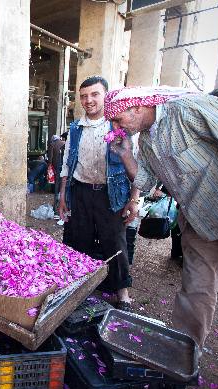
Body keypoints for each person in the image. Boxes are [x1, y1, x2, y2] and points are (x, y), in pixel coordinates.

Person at [104, 85, 218, 349]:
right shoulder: (146, 140)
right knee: (196, 291)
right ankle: (186, 352)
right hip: (198, 222)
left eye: (119, 119)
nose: (116, 127)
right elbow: (145, 181)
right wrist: (126, 155)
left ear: (139, 107)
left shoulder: (188, 109)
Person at [58, 76, 134, 310]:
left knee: (115, 242)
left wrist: (134, 199)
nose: (88, 100)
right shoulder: (75, 127)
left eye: (94, 94)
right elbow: (67, 163)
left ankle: (122, 293)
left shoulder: (119, 125)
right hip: (80, 192)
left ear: (105, 96)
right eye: (83, 96)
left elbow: (135, 164)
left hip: (110, 194)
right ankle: (81, 288)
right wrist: (62, 195)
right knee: (79, 241)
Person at [48, 132, 67, 211]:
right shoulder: (64, 143)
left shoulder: (53, 144)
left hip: (57, 165)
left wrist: (50, 164)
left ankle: (56, 205)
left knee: (57, 182)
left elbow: (51, 156)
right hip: (65, 166)